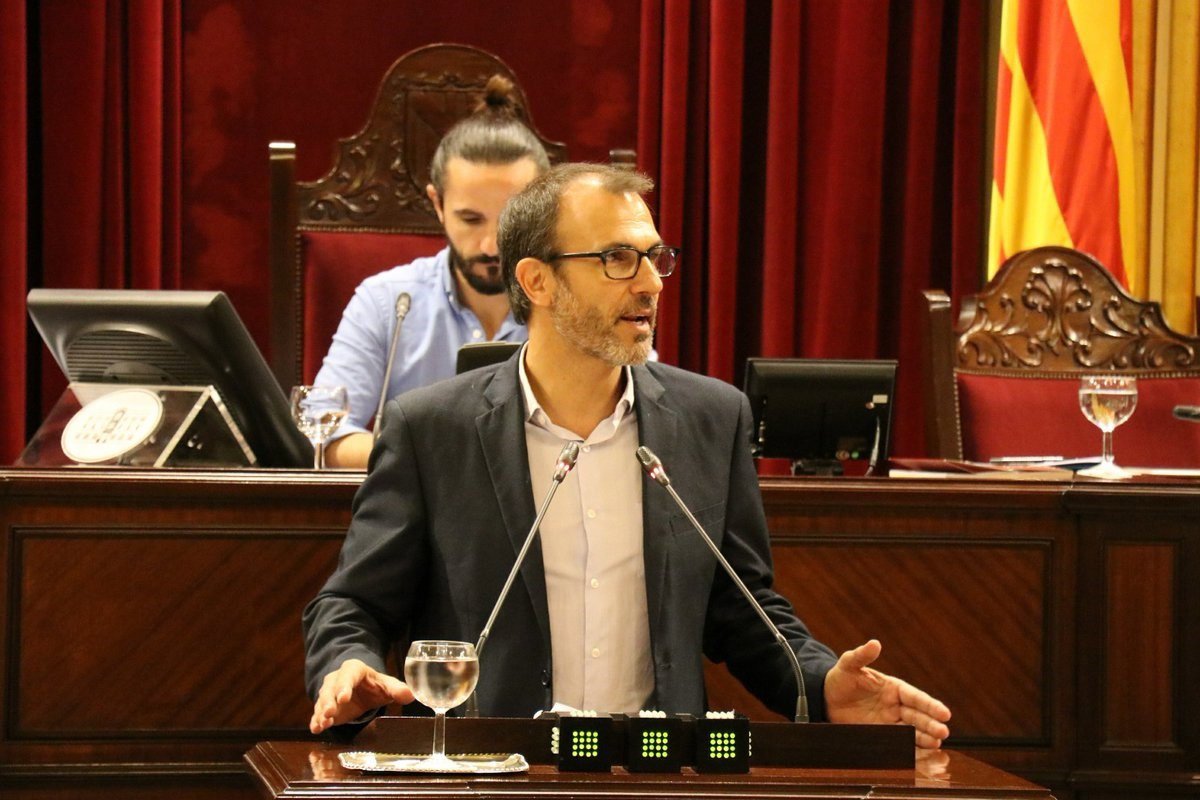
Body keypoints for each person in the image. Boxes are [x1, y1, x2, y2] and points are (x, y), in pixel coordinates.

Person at [303, 163, 952, 748]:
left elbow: (742, 609)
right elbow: (353, 604)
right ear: (537, 280)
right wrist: (346, 665)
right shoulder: (432, 430)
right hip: (490, 773)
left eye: (654, 258)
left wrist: (819, 683)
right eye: (617, 259)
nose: (649, 284)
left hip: (658, 776)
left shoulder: (711, 419)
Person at [314, 76, 549, 468]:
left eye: (510, 220)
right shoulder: (387, 302)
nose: (491, 245)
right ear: (437, 204)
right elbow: (324, 435)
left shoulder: (577, 303)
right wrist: (439, 460)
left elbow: (639, 412)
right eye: (471, 219)